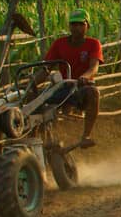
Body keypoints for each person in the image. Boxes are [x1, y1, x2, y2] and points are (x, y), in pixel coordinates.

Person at [43, 9, 101, 148]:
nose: (76, 28)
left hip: (82, 86)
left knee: (94, 93)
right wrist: (33, 82)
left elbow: (94, 67)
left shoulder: (93, 44)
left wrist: (84, 77)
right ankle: (42, 139)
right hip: (63, 86)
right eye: (73, 24)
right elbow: (46, 68)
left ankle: (86, 135)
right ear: (69, 26)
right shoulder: (59, 43)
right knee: (37, 100)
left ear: (87, 26)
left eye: (80, 24)